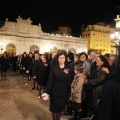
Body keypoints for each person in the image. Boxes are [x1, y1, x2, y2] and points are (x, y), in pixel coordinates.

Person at [41, 49, 71, 120]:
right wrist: (46, 92)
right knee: (54, 110)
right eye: (60, 58)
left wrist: (69, 93)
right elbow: (50, 81)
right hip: (55, 93)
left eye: (63, 58)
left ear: (65, 59)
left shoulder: (67, 68)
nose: (62, 59)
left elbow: (68, 82)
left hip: (63, 93)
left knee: (60, 110)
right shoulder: (54, 68)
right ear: (58, 59)